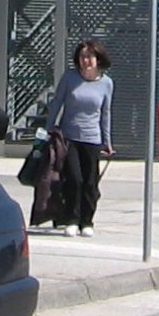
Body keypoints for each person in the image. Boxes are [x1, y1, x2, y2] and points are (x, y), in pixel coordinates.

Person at [38, 40, 114, 234]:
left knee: (90, 181)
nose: (86, 61)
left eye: (89, 57)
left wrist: (107, 141)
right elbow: (57, 103)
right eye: (82, 57)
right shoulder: (70, 78)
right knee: (74, 178)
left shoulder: (106, 83)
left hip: (93, 138)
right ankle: (71, 218)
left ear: (98, 59)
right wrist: (48, 129)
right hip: (69, 136)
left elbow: (105, 113)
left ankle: (87, 221)